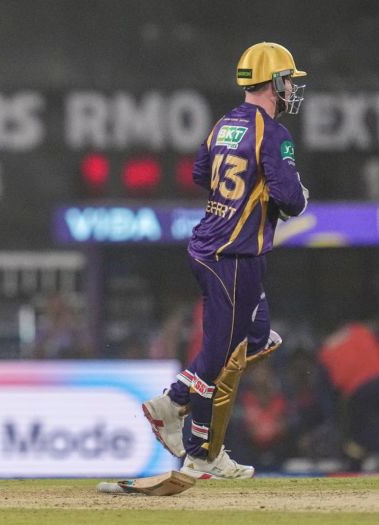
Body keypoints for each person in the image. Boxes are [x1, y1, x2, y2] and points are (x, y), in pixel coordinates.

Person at [141, 42, 310, 479]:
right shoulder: (273, 133)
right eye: (288, 80)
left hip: (211, 246)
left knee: (258, 336)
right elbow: (291, 200)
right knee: (218, 357)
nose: (292, 89)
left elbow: (201, 173)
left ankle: (184, 415)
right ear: (274, 82)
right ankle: (192, 436)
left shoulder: (224, 124)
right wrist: (286, 192)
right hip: (234, 255)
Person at [318, 321, 379, 470]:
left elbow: (330, 391)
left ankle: (354, 466)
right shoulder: (359, 330)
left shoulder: (325, 350)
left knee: (358, 433)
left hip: (357, 392)